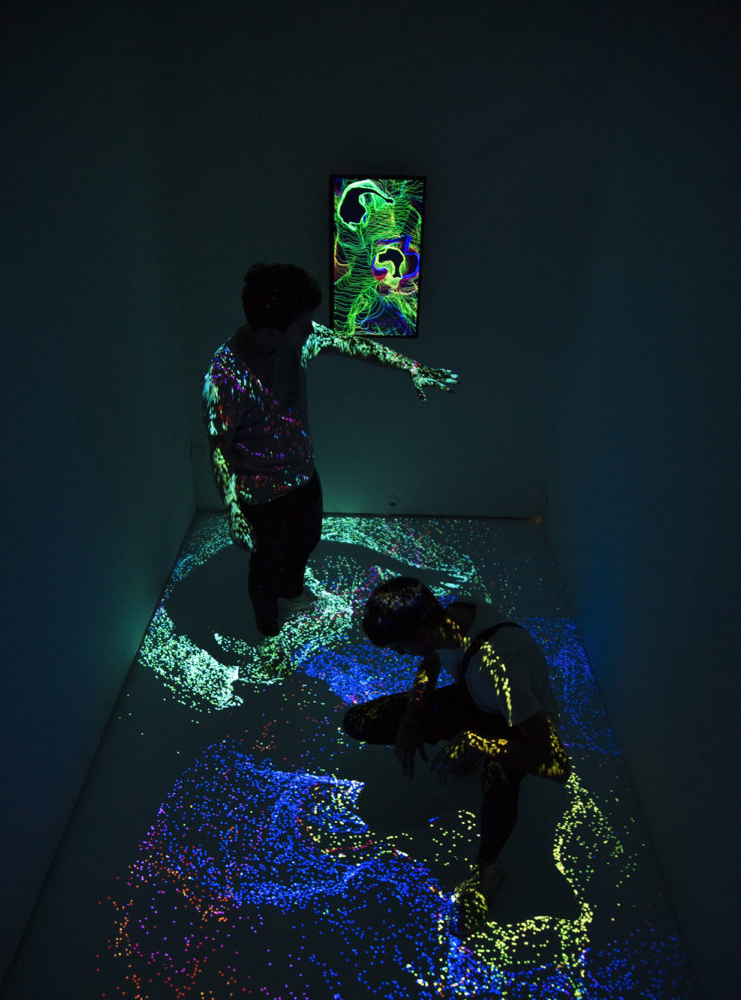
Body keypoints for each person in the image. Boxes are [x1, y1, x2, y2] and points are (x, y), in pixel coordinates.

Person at [202, 264, 457, 637]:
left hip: (303, 475)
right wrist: (233, 509)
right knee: (265, 566)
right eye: (302, 323)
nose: (311, 329)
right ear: (271, 330)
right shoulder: (225, 377)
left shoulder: (297, 341)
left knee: (305, 541)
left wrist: (410, 366)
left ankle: (291, 594)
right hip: (260, 495)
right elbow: (218, 448)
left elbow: (354, 345)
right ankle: (268, 629)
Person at [342, 577, 572, 936]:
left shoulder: (501, 667)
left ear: (420, 634)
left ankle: (488, 870)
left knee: (498, 778)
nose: (399, 655)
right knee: (361, 720)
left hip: (518, 729)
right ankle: (468, 746)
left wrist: (480, 744)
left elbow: (556, 765)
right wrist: (411, 717)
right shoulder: (448, 618)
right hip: (477, 699)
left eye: (399, 648)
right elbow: (431, 661)